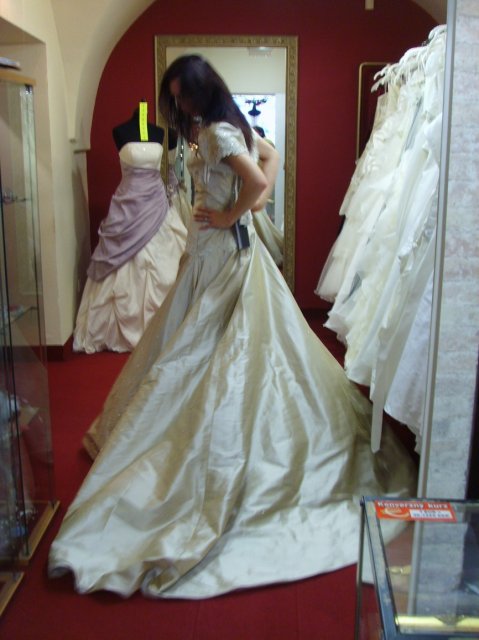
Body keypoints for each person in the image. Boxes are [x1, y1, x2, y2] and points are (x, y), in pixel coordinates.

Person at [48, 56, 417, 599]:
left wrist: (232, 213)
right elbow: (269, 156)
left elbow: (259, 175)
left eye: (185, 95)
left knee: (209, 349)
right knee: (198, 344)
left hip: (221, 253)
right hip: (211, 252)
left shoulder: (220, 131)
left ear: (203, 92)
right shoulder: (225, 127)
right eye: (176, 96)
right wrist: (242, 207)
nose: (181, 105)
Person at [73, 103, 187, 353]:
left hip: (157, 206)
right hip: (128, 207)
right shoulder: (119, 131)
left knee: (165, 267)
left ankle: (164, 326)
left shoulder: (159, 132)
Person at [251, 125, 284, 266]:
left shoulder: (266, 145)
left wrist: (262, 198)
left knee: (259, 224)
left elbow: (272, 157)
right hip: (248, 188)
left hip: (253, 189)